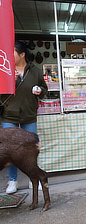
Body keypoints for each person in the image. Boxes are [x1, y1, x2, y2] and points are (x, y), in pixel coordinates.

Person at [0, 41, 48, 194]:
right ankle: (12, 181)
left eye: (13, 53)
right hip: (9, 115)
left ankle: (33, 178)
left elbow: (45, 89)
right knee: (10, 151)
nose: (10, 55)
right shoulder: (4, 69)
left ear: (22, 54)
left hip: (29, 115)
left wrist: (40, 90)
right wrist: (11, 82)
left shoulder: (35, 71)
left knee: (29, 150)